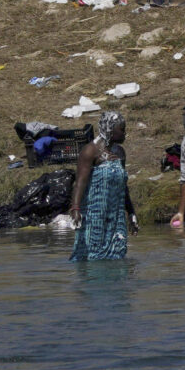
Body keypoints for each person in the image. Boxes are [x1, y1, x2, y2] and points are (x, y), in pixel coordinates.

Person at [68, 111, 130, 261]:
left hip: (116, 217)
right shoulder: (90, 151)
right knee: (93, 258)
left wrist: (132, 213)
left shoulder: (119, 153)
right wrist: (75, 208)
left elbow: (123, 186)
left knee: (118, 256)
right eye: (122, 129)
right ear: (110, 129)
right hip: (94, 216)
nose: (125, 133)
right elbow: (80, 182)